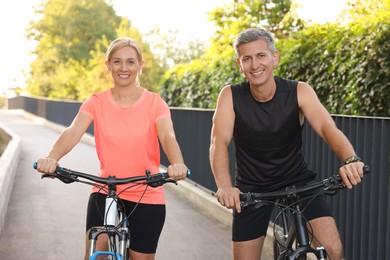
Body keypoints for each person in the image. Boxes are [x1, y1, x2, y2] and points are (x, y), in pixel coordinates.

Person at [209, 28, 365, 260]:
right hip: (253, 188)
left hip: (298, 179)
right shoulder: (230, 96)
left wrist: (351, 159)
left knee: (333, 251)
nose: (254, 65)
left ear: (275, 57)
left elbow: (327, 128)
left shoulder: (299, 91)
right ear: (239, 64)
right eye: (247, 58)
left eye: (261, 55)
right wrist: (224, 186)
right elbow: (218, 142)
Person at [35, 37, 188, 260]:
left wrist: (177, 163)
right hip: (106, 187)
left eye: (130, 62)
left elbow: (167, 135)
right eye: (117, 61)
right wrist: (51, 158)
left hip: (146, 188)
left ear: (140, 65)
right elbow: (73, 131)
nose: (123, 68)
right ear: (108, 65)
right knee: (95, 254)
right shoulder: (96, 101)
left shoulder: (155, 103)